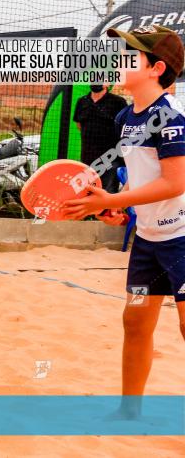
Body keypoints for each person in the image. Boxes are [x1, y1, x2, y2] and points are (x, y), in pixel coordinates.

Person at [63, 25, 185, 418]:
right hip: (148, 242)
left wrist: (115, 197)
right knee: (134, 323)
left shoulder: (171, 117)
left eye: (130, 55)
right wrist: (121, 208)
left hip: (182, 239)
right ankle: (129, 412)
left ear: (156, 68)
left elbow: (175, 182)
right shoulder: (124, 117)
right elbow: (142, 177)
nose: (117, 61)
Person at [74, 84, 128, 193]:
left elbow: (125, 126)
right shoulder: (82, 101)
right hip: (87, 158)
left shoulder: (118, 102)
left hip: (111, 158)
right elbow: (79, 124)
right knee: (87, 193)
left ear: (108, 83)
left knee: (108, 194)